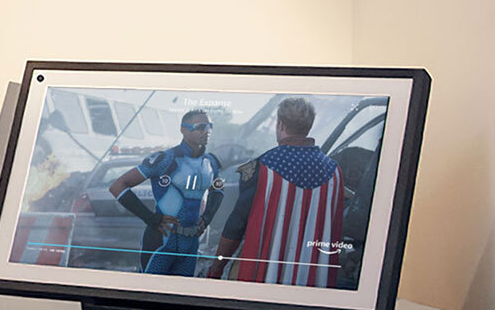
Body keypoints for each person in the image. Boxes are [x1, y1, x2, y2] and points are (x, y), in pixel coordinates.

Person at [205, 97, 349, 286]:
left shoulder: (262, 167)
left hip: (264, 278)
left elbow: (236, 225)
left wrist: (217, 267)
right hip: (311, 282)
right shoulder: (334, 171)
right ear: (308, 126)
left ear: (280, 125)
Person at [106, 109, 224, 277]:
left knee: (181, 298)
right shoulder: (165, 159)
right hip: (162, 241)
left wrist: (207, 218)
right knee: (148, 296)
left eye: (209, 126)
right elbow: (118, 186)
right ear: (183, 130)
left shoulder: (211, 162)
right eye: (200, 126)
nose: (207, 131)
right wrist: (150, 218)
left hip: (190, 243)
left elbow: (218, 190)